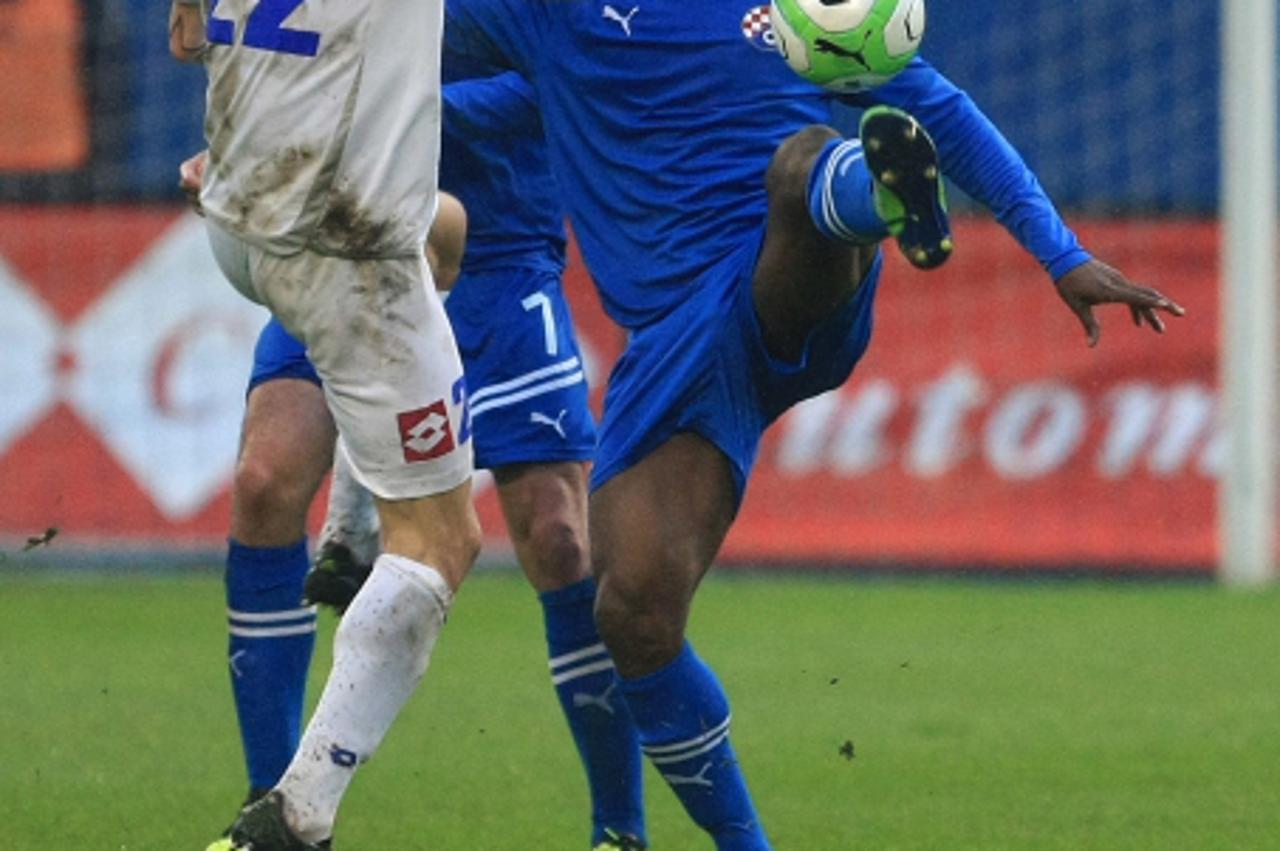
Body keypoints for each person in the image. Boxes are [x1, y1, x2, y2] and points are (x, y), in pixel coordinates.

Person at [441, 3, 1185, 849]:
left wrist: (1063, 255)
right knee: (634, 611)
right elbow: (427, 63)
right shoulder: (548, 16)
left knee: (798, 167)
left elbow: (945, 109)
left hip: (781, 284)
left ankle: (883, 195)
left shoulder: (797, 12)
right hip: (674, 346)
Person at [176, 65, 648, 850]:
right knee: (265, 479)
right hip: (343, 232)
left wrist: (373, 113)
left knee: (560, 536)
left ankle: (619, 830)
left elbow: (553, 81)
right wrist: (242, 152)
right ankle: (273, 802)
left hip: (498, 255)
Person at [170, 0, 483, 848]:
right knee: (440, 540)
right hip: (336, 248)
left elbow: (184, 33)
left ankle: (349, 521)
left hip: (236, 212)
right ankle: (295, 816)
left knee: (438, 235)